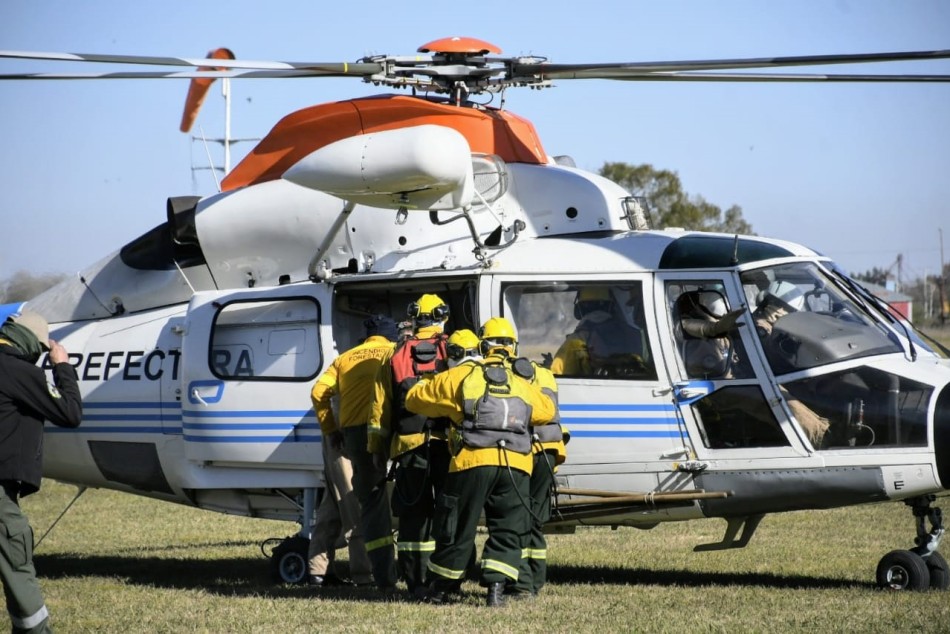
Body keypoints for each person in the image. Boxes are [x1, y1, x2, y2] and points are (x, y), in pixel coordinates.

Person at [407, 317, 556, 607]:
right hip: (516, 464)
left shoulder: (463, 375)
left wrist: (436, 391)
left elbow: (414, 400)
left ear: (481, 346)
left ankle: (440, 589)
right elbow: (546, 411)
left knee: (457, 525)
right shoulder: (519, 380)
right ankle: (496, 591)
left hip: (471, 462)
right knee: (507, 528)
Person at [0, 308, 82, 633]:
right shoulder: (19, 372)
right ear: (33, 345)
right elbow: (71, 412)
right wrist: (61, 366)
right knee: (17, 561)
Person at [367, 294, 452, 598]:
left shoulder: (396, 354)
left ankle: (416, 582)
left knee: (414, 517)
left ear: (415, 319)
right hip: (447, 447)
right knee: (448, 512)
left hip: (408, 448)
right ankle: (448, 579)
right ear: (442, 317)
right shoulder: (452, 350)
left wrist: (377, 450)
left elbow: (380, 408)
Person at [307, 315, 398, 588]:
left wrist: (330, 429)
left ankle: (317, 569)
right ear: (389, 336)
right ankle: (365, 573)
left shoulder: (345, 358)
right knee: (359, 504)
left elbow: (318, 392)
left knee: (334, 501)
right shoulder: (393, 353)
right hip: (372, 436)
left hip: (340, 437)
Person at [509, 359, 568, 599]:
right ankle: (535, 579)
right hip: (550, 448)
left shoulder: (503, 374)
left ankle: (523, 583)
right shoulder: (543, 373)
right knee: (535, 517)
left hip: (525, 452)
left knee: (519, 516)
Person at [551, 287, 646, 377]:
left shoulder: (576, 340)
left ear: (579, 309)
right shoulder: (634, 333)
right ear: (611, 306)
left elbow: (557, 374)